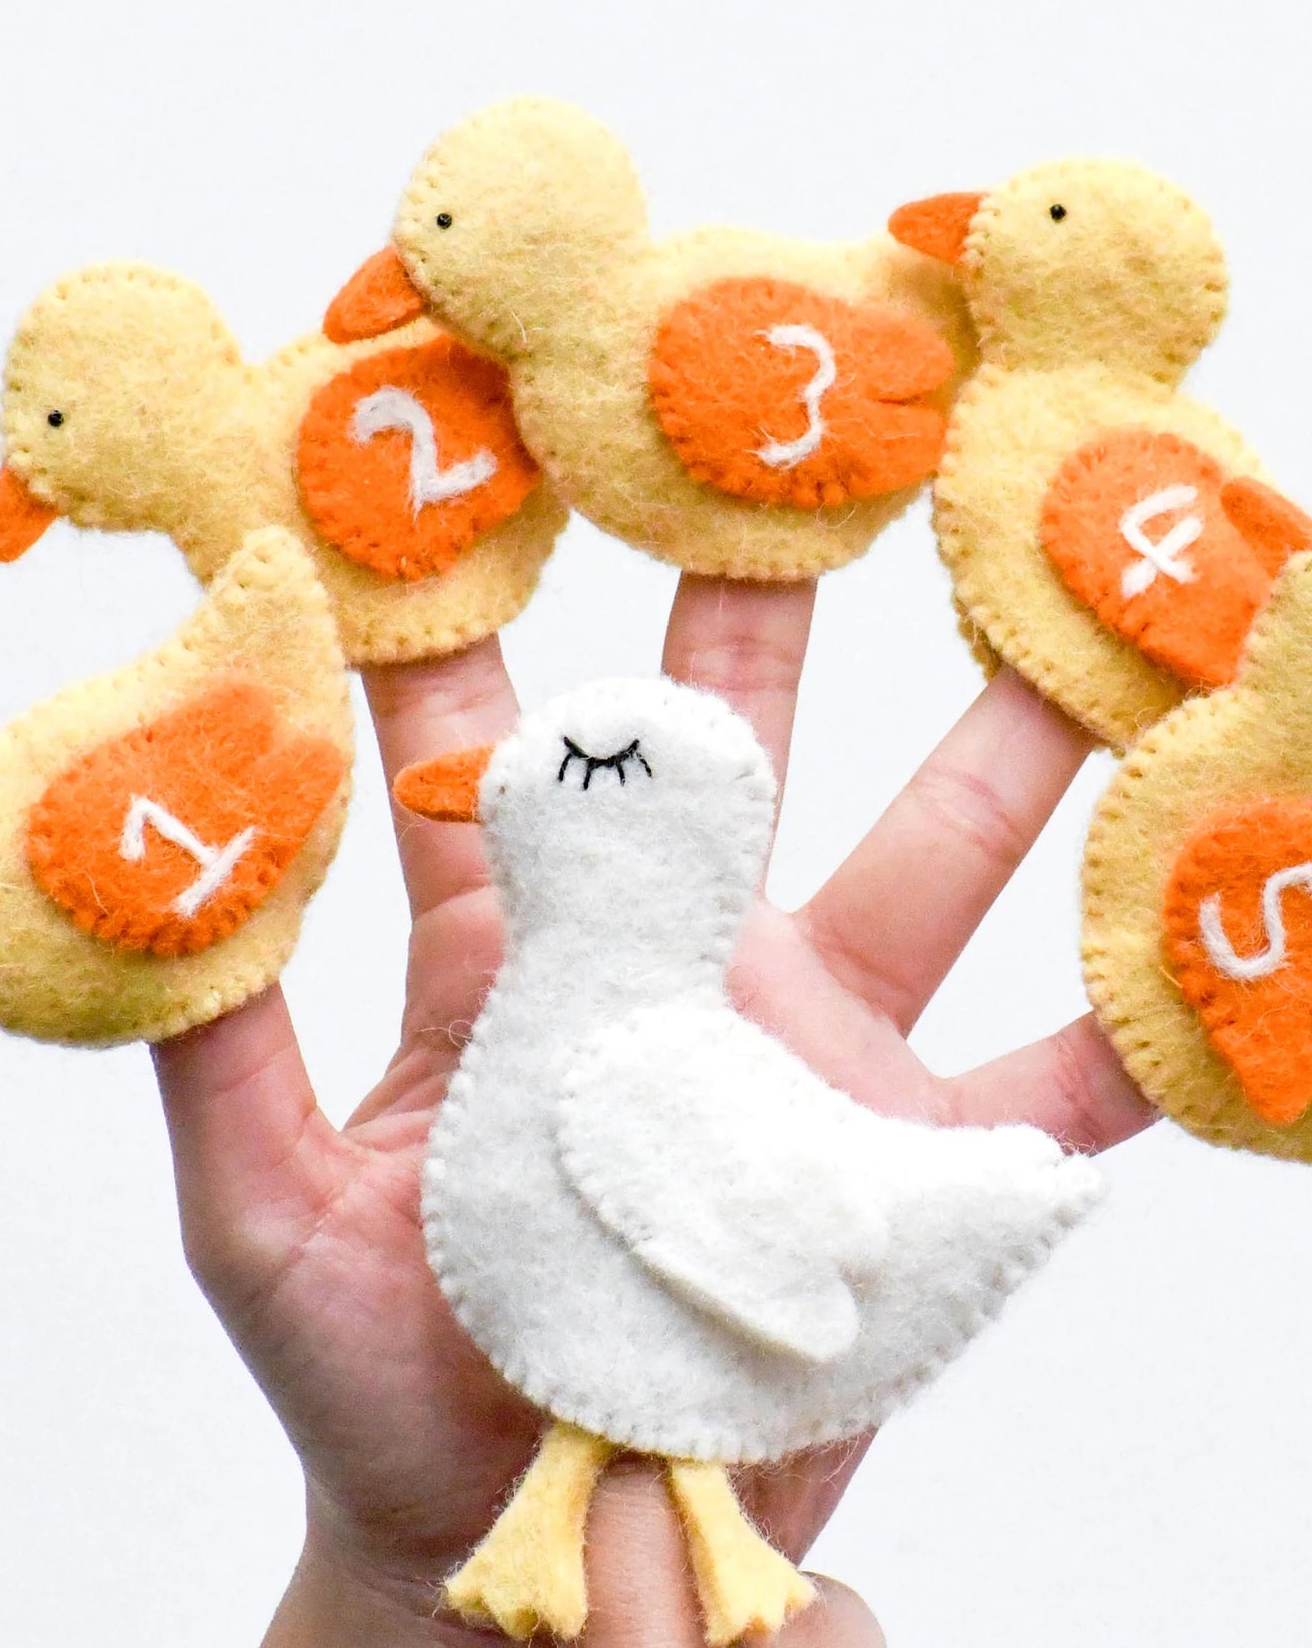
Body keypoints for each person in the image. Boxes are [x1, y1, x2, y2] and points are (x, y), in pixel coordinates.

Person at [152, 575, 1157, 1645]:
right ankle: (570, 1523)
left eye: (580, 770)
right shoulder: (586, 1036)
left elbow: (795, 1260)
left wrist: (398, 1602)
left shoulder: (631, 1071)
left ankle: (698, 1540)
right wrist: (392, 1592)